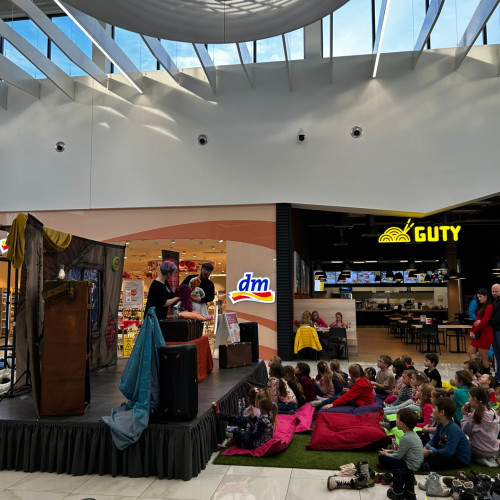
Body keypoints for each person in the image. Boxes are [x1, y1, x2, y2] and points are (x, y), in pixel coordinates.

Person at [378, 408, 423, 497]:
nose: (395, 421)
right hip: (414, 463)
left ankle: (398, 491)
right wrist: (389, 451)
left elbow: (398, 456)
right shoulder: (412, 434)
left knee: (382, 458)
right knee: (389, 451)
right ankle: (408, 490)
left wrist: (386, 454)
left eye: (397, 419)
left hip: (409, 466)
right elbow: (403, 451)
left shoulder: (405, 438)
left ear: (402, 424)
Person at [422, 397, 471, 471]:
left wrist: (429, 452)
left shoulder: (453, 429)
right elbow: (434, 440)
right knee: (424, 452)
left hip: (459, 458)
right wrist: (425, 447)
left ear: (442, 412)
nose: (432, 410)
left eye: (435, 408)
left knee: (430, 461)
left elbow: (448, 452)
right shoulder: (440, 424)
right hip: (449, 453)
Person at [461, 386, 500, 467]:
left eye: (469, 397)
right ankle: (488, 458)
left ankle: (477, 459)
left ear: (475, 399)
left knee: (460, 444)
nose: (468, 399)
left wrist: (465, 416)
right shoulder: (493, 412)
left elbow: (465, 431)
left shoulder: (475, 415)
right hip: (493, 450)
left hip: (478, 450)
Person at [469, 288, 494, 373]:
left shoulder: (489, 306)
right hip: (479, 332)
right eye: (478, 297)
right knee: (470, 352)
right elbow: (477, 320)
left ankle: (487, 374)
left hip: (486, 333)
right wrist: (472, 330)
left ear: (486, 296)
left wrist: (474, 331)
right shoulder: (482, 306)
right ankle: (478, 370)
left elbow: (484, 321)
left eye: (481, 296)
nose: (479, 298)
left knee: (484, 357)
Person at [489, 283, 500, 383]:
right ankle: (498, 375)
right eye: (492, 291)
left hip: (498, 331)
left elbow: (497, 318)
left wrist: (486, 321)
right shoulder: (495, 301)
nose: (494, 293)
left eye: (496, 291)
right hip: (495, 331)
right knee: (497, 355)